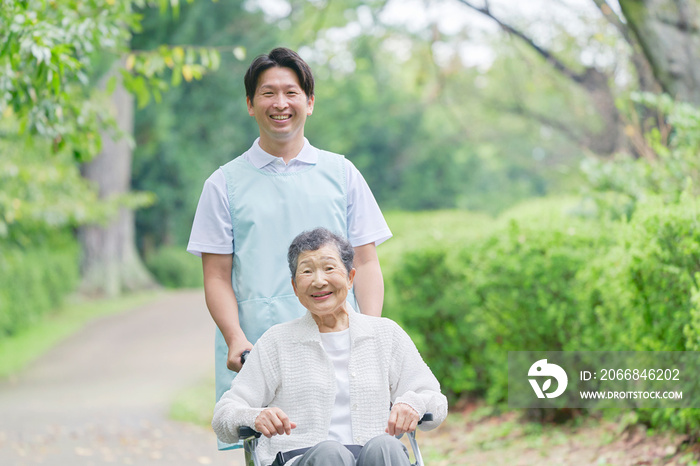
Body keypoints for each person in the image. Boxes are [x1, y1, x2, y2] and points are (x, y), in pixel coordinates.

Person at [187, 47, 392, 449]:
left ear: (310, 102)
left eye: (291, 92)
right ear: (250, 104)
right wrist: (234, 338)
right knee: (277, 450)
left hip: (339, 346)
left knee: (354, 446)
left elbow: (366, 262)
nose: (280, 103)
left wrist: (371, 334)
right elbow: (216, 276)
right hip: (260, 354)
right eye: (267, 93)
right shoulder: (224, 184)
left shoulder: (342, 174)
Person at [212, 228, 448, 466]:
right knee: (330, 454)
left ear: (350, 277)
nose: (319, 281)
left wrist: (412, 403)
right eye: (306, 271)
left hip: (377, 458)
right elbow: (224, 413)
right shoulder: (276, 342)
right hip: (303, 458)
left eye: (329, 268)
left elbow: (434, 400)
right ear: (295, 287)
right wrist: (254, 416)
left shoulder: (385, 335)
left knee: (385, 445)